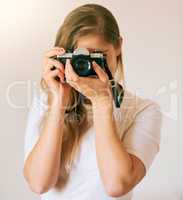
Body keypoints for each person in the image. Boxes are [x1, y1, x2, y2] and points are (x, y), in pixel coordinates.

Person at [23, 3, 162, 200]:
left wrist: (103, 103)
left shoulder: (143, 110)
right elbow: (38, 184)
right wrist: (59, 102)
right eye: (81, 58)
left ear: (118, 46)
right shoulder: (46, 101)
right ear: (64, 57)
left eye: (99, 56)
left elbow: (116, 185)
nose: (89, 65)